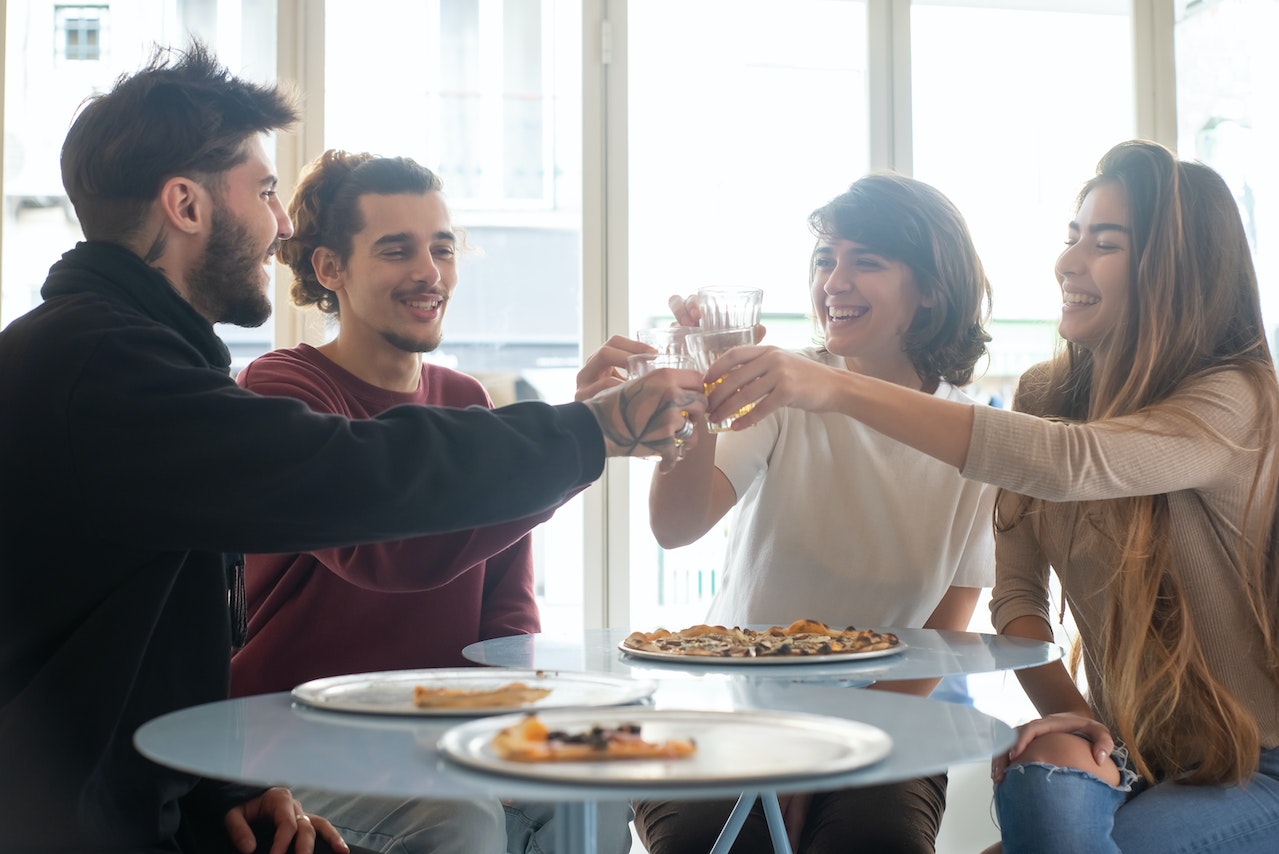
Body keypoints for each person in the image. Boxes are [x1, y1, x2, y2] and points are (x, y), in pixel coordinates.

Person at [0, 44, 706, 854]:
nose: (282, 225)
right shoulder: (102, 367)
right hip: (66, 820)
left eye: (442, 245)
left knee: (582, 798)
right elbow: (354, 480)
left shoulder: (121, 359)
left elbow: (152, 652)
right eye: (265, 191)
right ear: (187, 206)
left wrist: (220, 794)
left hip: (139, 797)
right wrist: (595, 427)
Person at [700, 140, 1279, 853]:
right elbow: (1017, 600)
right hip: (1134, 752)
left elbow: (1072, 464)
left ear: (1176, 269)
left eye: (1104, 243)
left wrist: (836, 386)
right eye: (1071, 238)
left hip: (1259, 767)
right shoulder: (1046, 393)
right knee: (1042, 774)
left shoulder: (1234, 403)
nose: (1067, 261)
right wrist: (1077, 720)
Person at [230, 149, 632, 854]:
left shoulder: (466, 400)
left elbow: (507, 604)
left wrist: (506, 732)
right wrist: (582, 436)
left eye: (442, 249)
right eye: (397, 250)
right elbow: (384, 552)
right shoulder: (284, 392)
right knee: (459, 820)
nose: (430, 273)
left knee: (598, 791)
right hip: (298, 741)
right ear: (330, 269)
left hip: (438, 735)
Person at [632, 173, 999, 853]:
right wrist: (700, 398)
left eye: (867, 261)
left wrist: (820, 756)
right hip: (728, 703)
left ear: (929, 290)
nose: (834, 279)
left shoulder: (974, 435)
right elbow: (675, 527)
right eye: (825, 258)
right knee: (711, 840)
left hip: (884, 715)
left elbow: (941, 638)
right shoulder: (782, 385)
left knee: (875, 842)